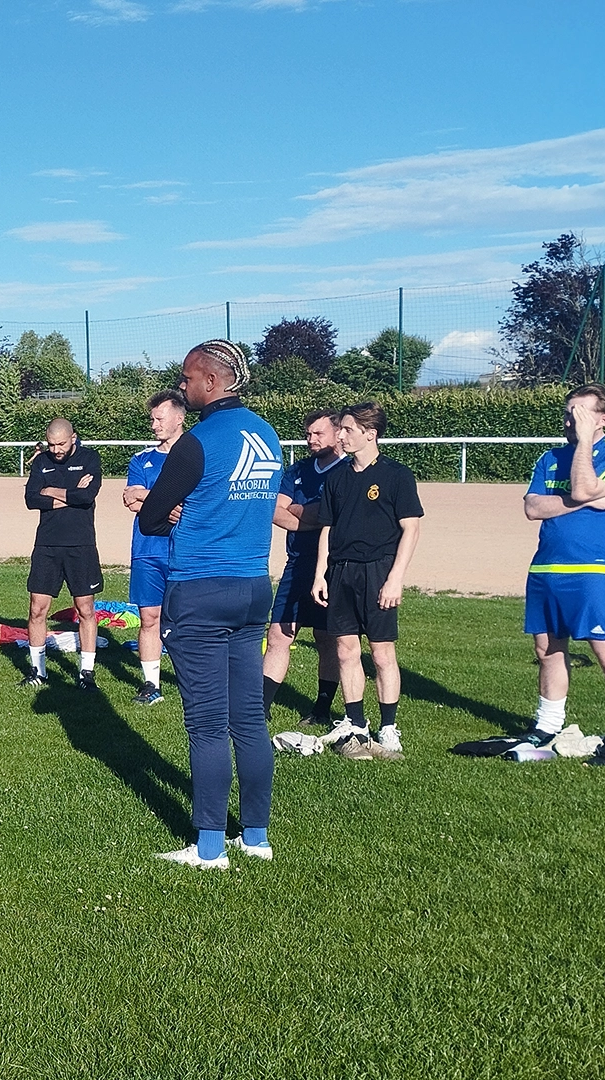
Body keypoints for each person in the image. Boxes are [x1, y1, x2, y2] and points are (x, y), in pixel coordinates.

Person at [138, 341, 281, 869]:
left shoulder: (196, 442)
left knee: (205, 723)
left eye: (188, 379)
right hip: (251, 588)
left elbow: (152, 517)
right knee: (248, 717)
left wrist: (173, 512)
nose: (183, 386)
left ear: (213, 382)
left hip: (201, 587)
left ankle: (210, 846)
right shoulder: (266, 433)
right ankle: (258, 836)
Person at [520, 385, 605, 766]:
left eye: (580, 413)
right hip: (545, 568)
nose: (570, 420)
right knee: (548, 652)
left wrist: (586, 448)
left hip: (593, 572)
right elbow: (532, 507)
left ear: (602, 420)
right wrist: (584, 500)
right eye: (568, 412)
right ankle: (548, 725)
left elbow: (583, 484)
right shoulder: (550, 456)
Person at [311, 402, 423, 761]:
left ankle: (388, 728)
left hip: (378, 571)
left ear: (370, 434)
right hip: (341, 572)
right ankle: (356, 724)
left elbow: (411, 528)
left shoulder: (396, 475)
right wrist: (320, 574)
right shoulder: (337, 477)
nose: (340, 436)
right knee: (345, 650)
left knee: (381, 653)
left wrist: (395, 579)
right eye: (340, 429)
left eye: (347, 430)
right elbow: (326, 528)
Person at [263, 409, 346, 725]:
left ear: (338, 433)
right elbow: (275, 511)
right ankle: (261, 706)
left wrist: (301, 513)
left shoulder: (347, 472)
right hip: (297, 565)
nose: (311, 440)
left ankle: (322, 709)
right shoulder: (296, 470)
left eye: (318, 433)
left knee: (328, 639)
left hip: (333, 567)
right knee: (279, 634)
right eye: (308, 434)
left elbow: (335, 516)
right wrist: (316, 517)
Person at [23, 417, 104, 690]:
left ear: (73, 438)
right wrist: (70, 494)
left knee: (85, 610)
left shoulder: (90, 458)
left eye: (61, 444)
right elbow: (31, 499)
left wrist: (52, 492)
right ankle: (38, 671)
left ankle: (87, 673)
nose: (56, 450)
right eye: (51, 444)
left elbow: (87, 497)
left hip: (81, 545)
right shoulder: (41, 462)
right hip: (47, 545)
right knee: (37, 609)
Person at [121, 391, 188, 706]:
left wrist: (148, 495)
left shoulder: (195, 455)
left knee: (187, 620)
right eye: (152, 419)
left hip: (186, 551)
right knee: (149, 617)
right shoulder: (141, 459)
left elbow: (196, 503)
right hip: (147, 550)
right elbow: (130, 500)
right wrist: (168, 502)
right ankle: (151, 685)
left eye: (160, 418)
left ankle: (193, 682)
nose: (154, 425)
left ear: (179, 417)